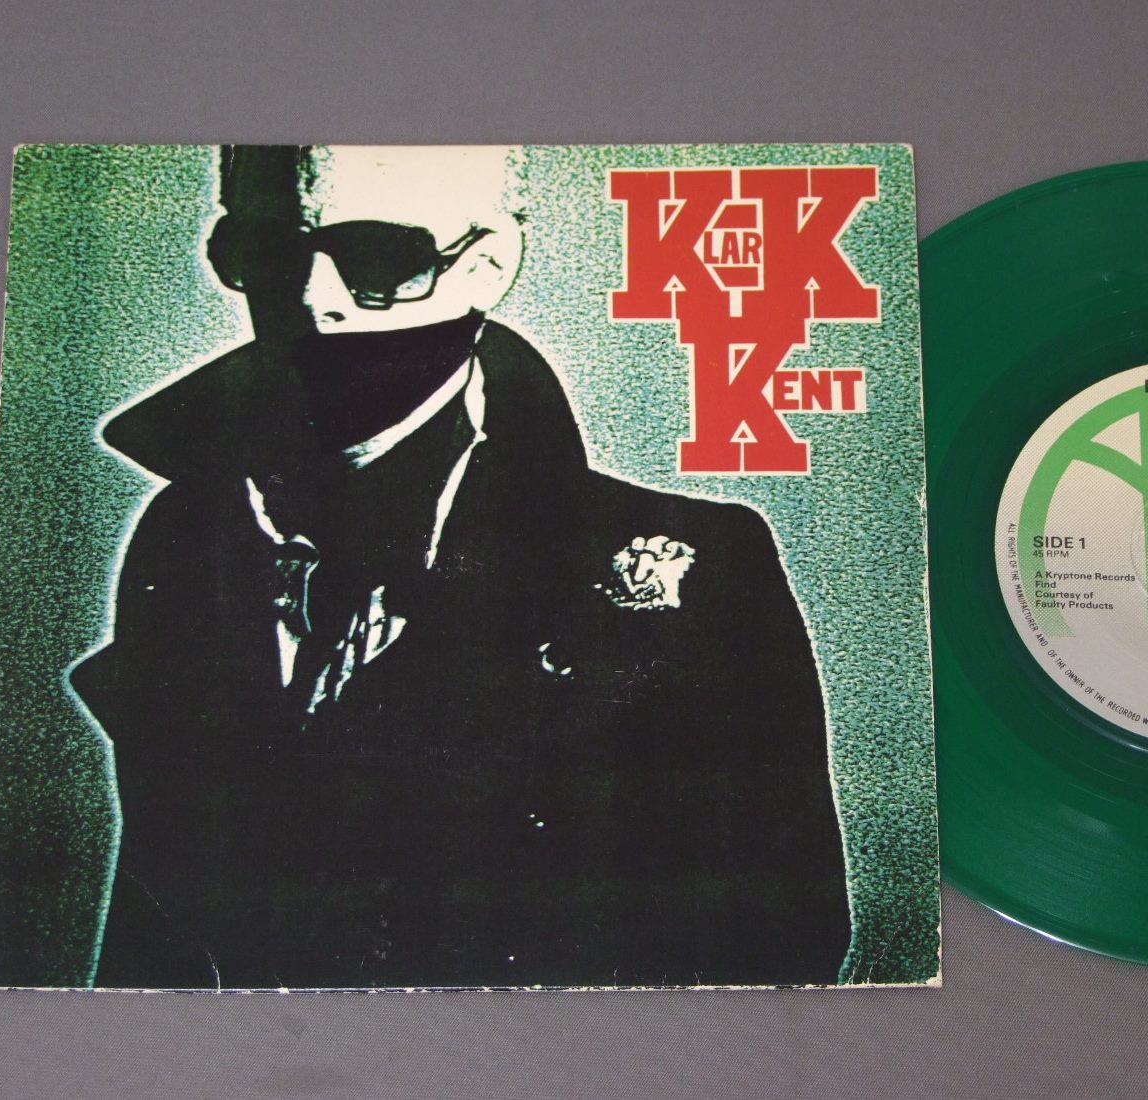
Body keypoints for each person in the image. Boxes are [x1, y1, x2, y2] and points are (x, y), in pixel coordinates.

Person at [70, 145, 851, 989]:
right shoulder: (191, 535)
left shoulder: (695, 567)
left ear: (486, 265)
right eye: (265, 252)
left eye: (378, 259)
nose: (311, 298)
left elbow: (780, 941)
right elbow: (158, 932)